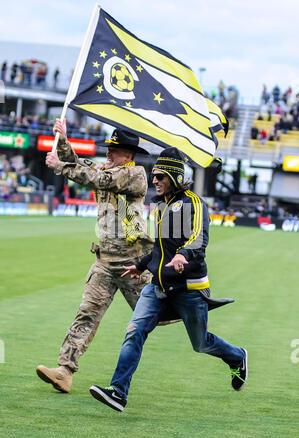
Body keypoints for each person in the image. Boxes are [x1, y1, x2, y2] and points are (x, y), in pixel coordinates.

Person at [89, 147, 248, 412]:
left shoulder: (193, 204)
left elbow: (198, 238)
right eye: (154, 175)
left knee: (201, 343)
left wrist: (184, 255)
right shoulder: (161, 206)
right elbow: (161, 248)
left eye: (160, 176)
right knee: (134, 331)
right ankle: (118, 392)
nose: (154, 180)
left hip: (189, 289)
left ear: (174, 176)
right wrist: (141, 265)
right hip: (157, 286)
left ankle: (237, 356)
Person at [36, 122, 153, 393]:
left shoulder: (134, 174)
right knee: (86, 314)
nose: (108, 154)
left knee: (160, 314)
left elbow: (99, 180)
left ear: (129, 155)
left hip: (133, 264)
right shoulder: (106, 169)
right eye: (108, 149)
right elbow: (77, 163)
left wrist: (59, 167)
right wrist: (63, 140)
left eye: (115, 150)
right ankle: (64, 371)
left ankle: (213, 341)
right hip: (105, 261)